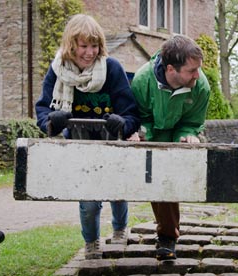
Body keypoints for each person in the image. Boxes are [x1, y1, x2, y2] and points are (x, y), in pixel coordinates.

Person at [35, 14, 140, 259]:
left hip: (111, 144)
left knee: (117, 189)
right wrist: (52, 120)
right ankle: (91, 242)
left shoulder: (111, 69)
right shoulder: (58, 71)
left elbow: (132, 114)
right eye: (84, 46)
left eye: (94, 46)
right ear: (71, 46)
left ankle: (119, 229)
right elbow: (42, 110)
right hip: (79, 146)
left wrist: (122, 124)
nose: (90, 52)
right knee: (89, 200)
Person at [131, 35, 210, 260]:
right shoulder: (142, 80)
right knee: (158, 178)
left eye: (198, 69)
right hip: (151, 134)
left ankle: (167, 235)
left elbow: (193, 122)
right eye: (191, 70)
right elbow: (141, 116)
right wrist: (144, 133)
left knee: (168, 178)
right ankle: (166, 234)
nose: (197, 75)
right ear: (170, 69)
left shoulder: (200, 86)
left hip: (179, 134)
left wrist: (187, 135)